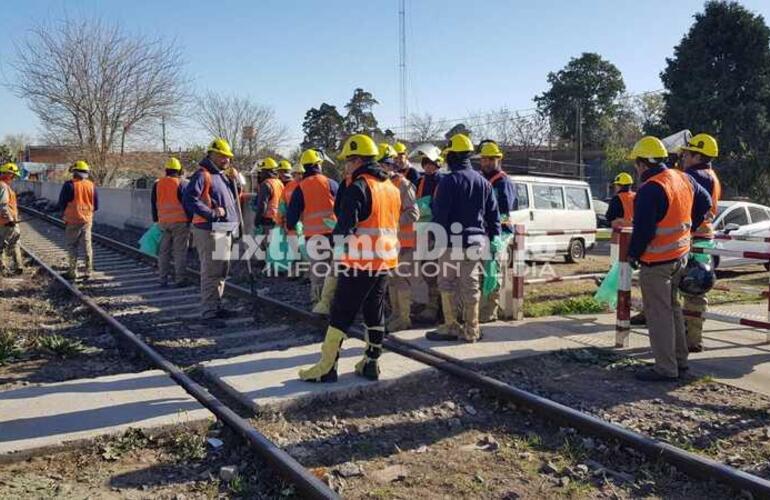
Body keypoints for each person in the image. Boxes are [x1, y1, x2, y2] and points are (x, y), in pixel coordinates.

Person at [298, 134, 400, 382]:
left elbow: (344, 227)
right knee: (374, 311)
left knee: (341, 312)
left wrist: (334, 244)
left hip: (359, 261)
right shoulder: (390, 187)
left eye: (347, 161)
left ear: (356, 161)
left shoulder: (359, 187)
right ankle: (371, 363)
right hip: (385, 261)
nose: (345, 166)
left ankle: (326, 367)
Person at [627, 136, 712, 382]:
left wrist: (633, 255)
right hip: (680, 256)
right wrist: (689, 228)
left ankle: (665, 368)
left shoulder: (650, 189)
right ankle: (681, 362)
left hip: (657, 261)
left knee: (659, 314)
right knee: (674, 309)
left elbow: (643, 230)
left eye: (637, 164)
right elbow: (705, 201)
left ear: (643, 164)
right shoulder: (682, 177)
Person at [428, 133, 501, 342]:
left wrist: (436, 240)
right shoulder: (483, 182)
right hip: (476, 243)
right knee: (471, 286)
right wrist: (494, 239)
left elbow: (440, 215)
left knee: (447, 284)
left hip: (452, 243)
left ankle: (451, 326)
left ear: (452, 156)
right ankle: (472, 329)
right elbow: (493, 215)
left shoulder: (448, 182)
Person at [183, 138, 240, 326]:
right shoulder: (203, 174)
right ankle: (208, 312)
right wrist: (212, 213)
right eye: (222, 156)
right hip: (209, 229)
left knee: (221, 270)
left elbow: (233, 198)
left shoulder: (222, 175)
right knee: (211, 271)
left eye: (228, 157)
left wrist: (235, 183)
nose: (226, 160)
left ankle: (216, 306)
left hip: (223, 229)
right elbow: (189, 199)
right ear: (212, 154)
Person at [679, 133, 721, 352]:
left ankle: (691, 340)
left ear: (697, 155)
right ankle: (691, 336)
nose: (683, 157)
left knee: (692, 287)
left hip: (694, 237)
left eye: (687, 154)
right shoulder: (712, 175)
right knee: (697, 286)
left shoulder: (693, 175)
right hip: (706, 236)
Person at [286, 148, 339, 312]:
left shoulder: (300, 187)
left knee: (318, 271)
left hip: (313, 236)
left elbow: (292, 215)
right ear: (318, 165)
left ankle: (318, 303)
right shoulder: (331, 183)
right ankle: (334, 301)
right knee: (335, 270)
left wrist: (290, 226)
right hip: (334, 234)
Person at [378, 143, 419, 331]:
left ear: (389, 165)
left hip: (404, 241)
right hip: (389, 244)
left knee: (401, 280)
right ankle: (396, 315)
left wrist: (392, 221)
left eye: (382, 165)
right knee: (393, 280)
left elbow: (413, 213)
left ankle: (404, 318)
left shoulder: (403, 184)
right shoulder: (382, 184)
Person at [478, 140, 516, 322]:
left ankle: (490, 312)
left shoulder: (502, 181)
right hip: (484, 232)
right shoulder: (482, 179)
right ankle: (481, 309)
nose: (486, 162)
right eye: (484, 159)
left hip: (499, 233)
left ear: (497, 160)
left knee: (492, 271)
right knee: (481, 272)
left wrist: (494, 232)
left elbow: (504, 210)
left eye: (490, 159)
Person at [411, 144, 444, 322]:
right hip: (422, 230)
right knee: (425, 270)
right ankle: (429, 304)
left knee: (433, 270)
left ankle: (434, 307)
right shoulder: (421, 180)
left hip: (434, 231)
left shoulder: (441, 181)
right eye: (426, 164)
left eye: (431, 164)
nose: (428, 167)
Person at [151, 157, 191, 288]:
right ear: (179, 170)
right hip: (180, 222)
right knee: (179, 252)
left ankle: (162, 279)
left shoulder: (157, 184)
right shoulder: (182, 184)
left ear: (166, 170)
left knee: (163, 252)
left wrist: (156, 220)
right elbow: (188, 204)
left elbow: (153, 203)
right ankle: (180, 279)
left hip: (163, 222)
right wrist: (190, 220)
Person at [58, 161, 98, 280]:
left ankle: (73, 272)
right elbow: (96, 205)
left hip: (72, 220)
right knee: (87, 245)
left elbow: (62, 203)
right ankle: (88, 271)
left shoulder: (69, 185)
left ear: (75, 172)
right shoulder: (91, 185)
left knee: (72, 246)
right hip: (87, 220)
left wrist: (63, 213)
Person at [0, 162, 23, 276]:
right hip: (6, 222)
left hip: (6, 222)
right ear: (8, 174)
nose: (14, 178)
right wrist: (10, 219)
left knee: (14, 242)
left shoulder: (4, 186)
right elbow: (3, 205)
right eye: (13, 176)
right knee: (5, 245)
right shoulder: (3, 186)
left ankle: (17, 267)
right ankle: (5, 269)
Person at [253, 157, 284, 236]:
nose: (260, 174)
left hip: (267, 222)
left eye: (262, 171)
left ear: (267, 171)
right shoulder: (280, 183)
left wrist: (257, 221)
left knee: (266, 246)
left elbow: (262, 205)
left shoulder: (266, 184)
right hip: (278, 220)